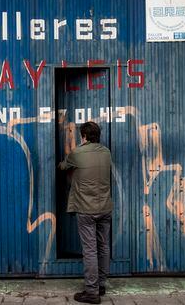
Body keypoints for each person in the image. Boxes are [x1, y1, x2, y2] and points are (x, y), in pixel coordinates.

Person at [58, 121, 113, 304]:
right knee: (103, 247)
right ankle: (101, 285)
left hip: (86, 210)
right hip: (105, 208)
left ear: (84, 136)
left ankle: (92, 292)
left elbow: (63, 166)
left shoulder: (78, 153)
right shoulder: (106, 153)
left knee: (90, 250)